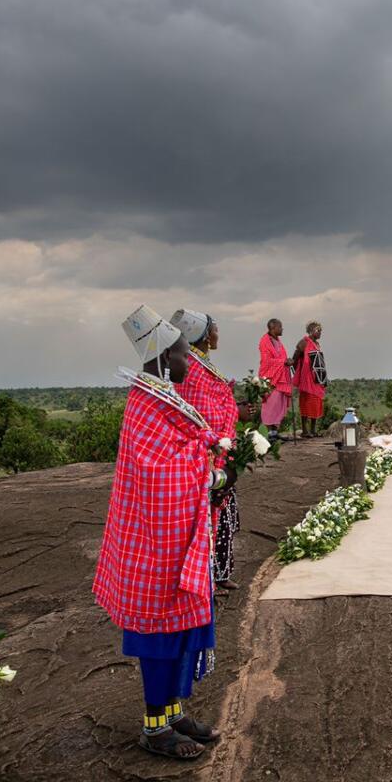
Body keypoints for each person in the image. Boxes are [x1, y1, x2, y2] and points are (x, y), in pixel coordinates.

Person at [94, 305, 226, 760]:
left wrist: (210, 456)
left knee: (180, 626)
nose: (189, 361)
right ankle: (155, 727)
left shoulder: (161, 394)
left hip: (175, 534)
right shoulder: (145, 402)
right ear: (164, 356)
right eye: (183, 354)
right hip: (153, 541)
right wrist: (205, 470)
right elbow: (156, 472)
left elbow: (183, 447)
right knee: (159, 631)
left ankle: (173, 712)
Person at [171, 309, 242, 593]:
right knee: (210, 514)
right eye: (214, 330)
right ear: (202, 336)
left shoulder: (199, 365)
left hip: (218, 449)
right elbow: (204, 412)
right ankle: (207, 576)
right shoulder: (194, 369)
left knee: (221, 514)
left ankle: (220, 571)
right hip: (208, 453)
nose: (217, 334)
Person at [258, 318, 293, 442]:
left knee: (278, 406)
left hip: (280, 378)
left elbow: (281, 358)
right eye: (280, 327)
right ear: (273, 328)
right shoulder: (265, 341)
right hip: (270, 378)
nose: (282, 329)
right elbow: (266, 361)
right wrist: (283, 361)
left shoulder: (278, 341)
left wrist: (287, 362)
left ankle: (274, 433)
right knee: (270, 406)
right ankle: (267, 434)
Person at [292, 321, 327, 438]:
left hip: (317, 379)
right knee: (306, 403)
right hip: (307, 379)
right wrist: (300, 372)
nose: (320, 333)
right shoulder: (304, 343)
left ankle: (313, 430)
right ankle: (305, 430)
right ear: (312, 331)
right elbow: (295, 358)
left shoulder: (317, 344)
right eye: (319, 330)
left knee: (316, 403)